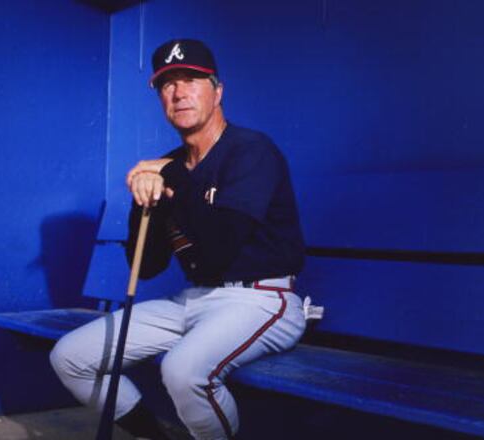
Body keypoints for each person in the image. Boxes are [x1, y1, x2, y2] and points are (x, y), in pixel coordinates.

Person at [50, 39, 308, 440]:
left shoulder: (250, 151)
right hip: (192, 300)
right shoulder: (169, 164)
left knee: (183, 371)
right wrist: (143, 198)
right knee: (70, 357)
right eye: (167, 84)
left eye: (191, 79)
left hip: (261, 299)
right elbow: (149, 266)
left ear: (217, 91)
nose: (179, 92)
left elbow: (222, 246)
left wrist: (168, 176)